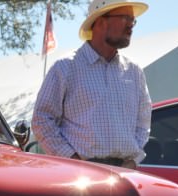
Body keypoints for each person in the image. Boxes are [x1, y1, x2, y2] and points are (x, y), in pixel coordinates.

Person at [32, 0, 151, 169]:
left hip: (124, 175)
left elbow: (143, 123)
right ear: (101, 22)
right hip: (78, 179)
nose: (131, 25)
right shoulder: (65, 68)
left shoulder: (134, 72)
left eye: (133, 20)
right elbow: (42, 120)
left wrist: (133, 160)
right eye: (125, 18)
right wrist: (73, 160)